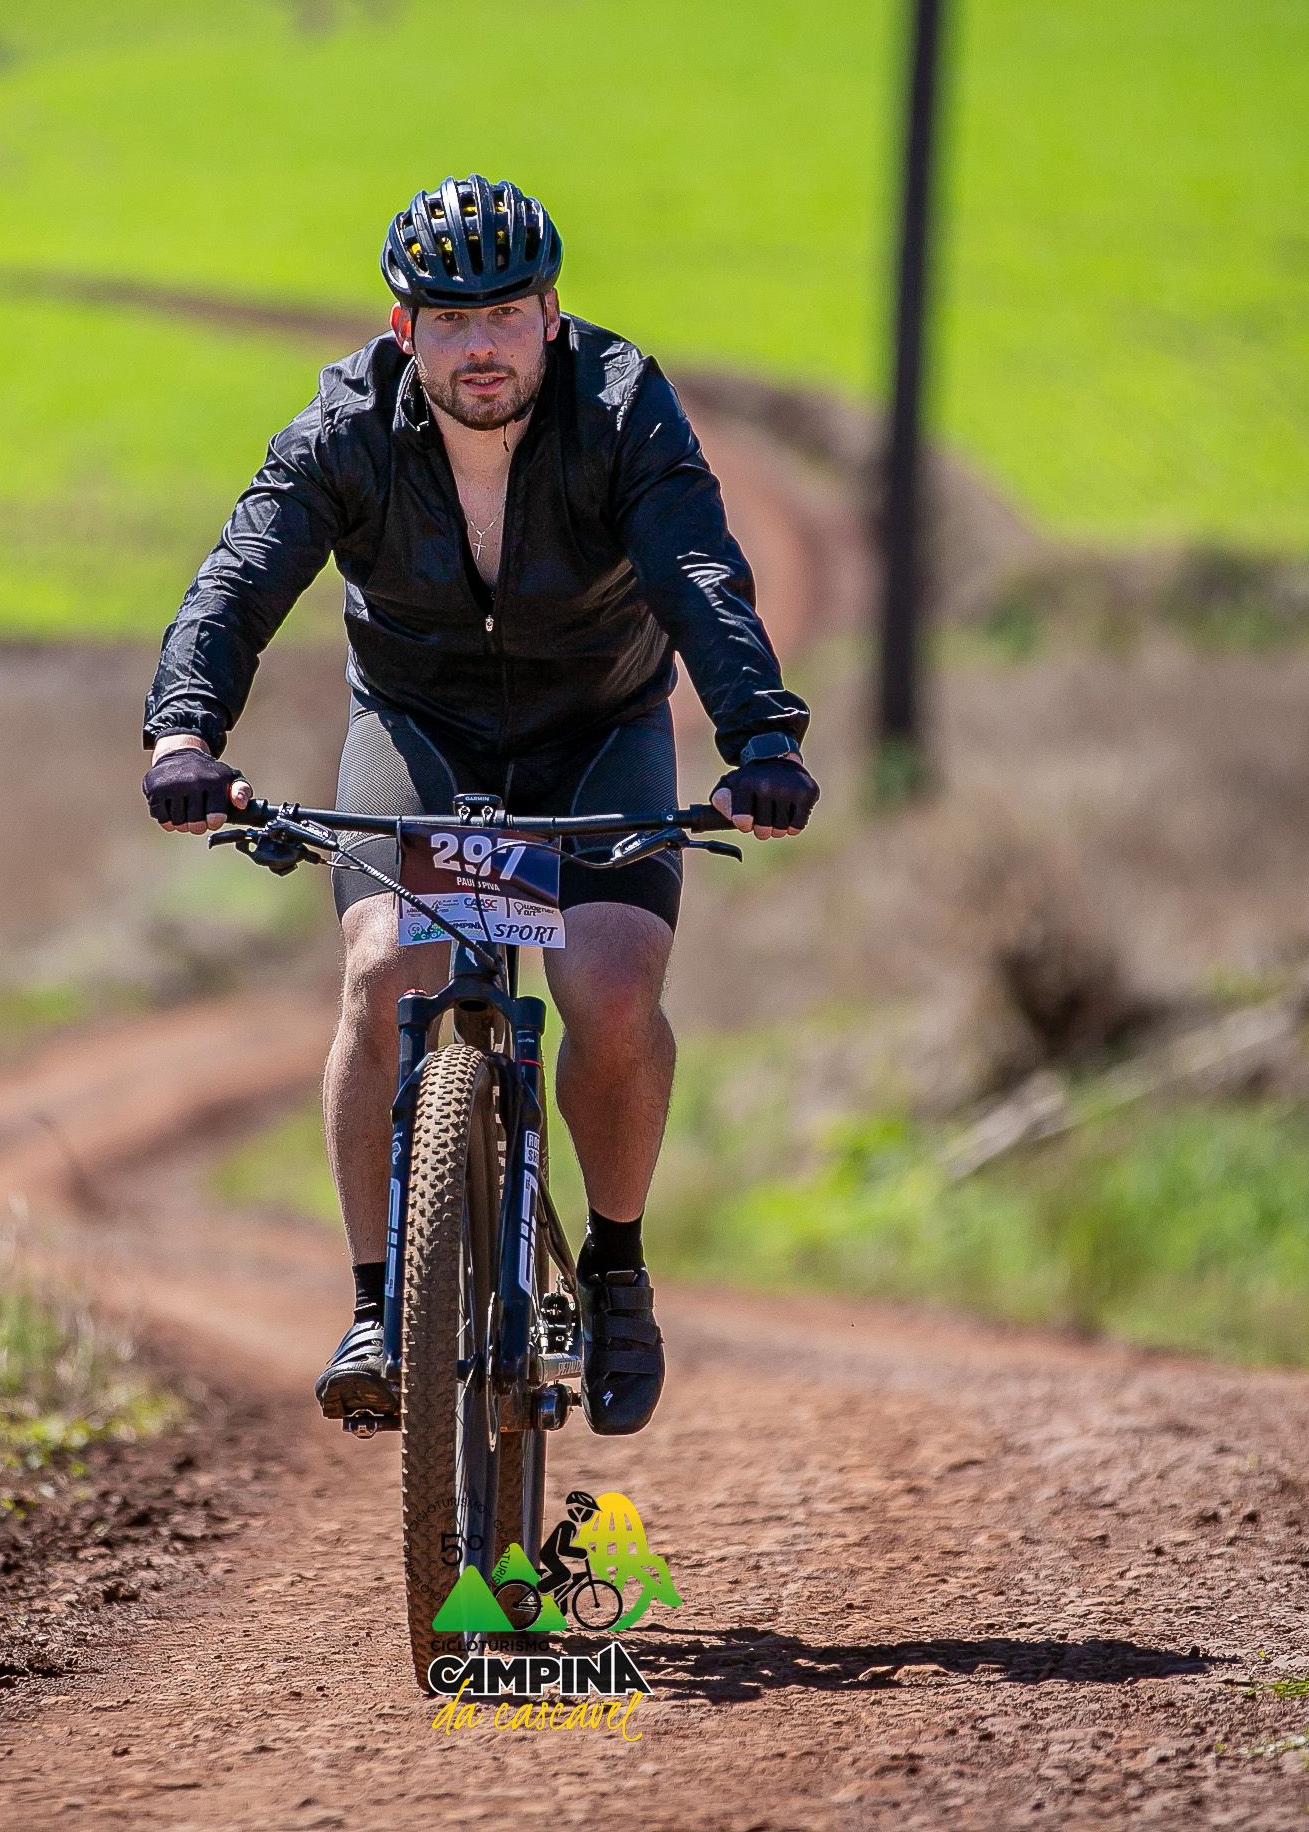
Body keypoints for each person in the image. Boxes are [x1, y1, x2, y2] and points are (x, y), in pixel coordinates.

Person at [140, 175, 818, 1438]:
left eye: (507, 310)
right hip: (420, 730)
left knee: (610, 984)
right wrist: (186, 729)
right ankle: (376, 1303)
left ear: (551, 314)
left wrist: (760, 737)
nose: (482, 344)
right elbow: (239, 577)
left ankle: (616, 1269)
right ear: (404, 330)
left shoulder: (622, 407)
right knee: (383, 967)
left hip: (598, 731)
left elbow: (700, 574)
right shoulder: (345, 426)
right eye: (450, 319)